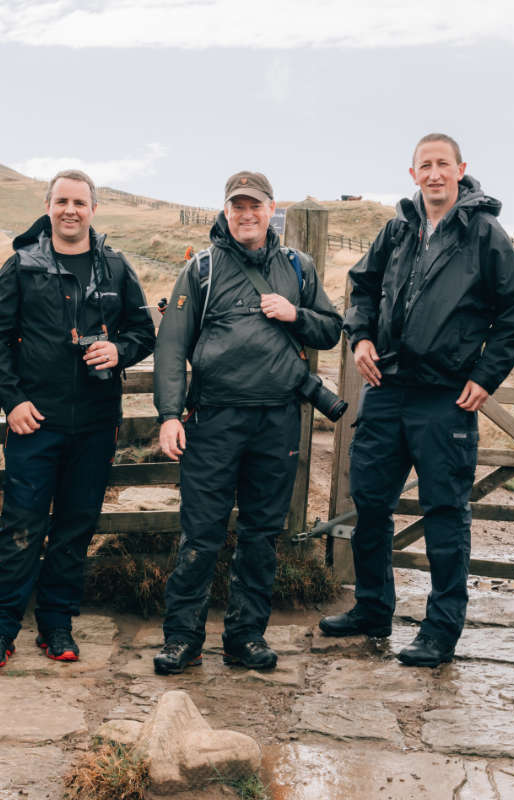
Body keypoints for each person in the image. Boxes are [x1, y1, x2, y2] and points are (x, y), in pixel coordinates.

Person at [317, 134, 514, 667]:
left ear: (461, 169)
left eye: (443, 165)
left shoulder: (485, 234)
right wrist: (361, 337)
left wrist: (486, 375)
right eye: (424, 166)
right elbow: (361, 287)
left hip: (446, 398)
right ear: (412, 174)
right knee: (369, 504)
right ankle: (372, 608)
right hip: (387, 390)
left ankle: (440, 630)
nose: (434, 174)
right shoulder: (398, 228)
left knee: (444, 511)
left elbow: (513, 315)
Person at [152, 171, 342, 674]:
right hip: (213, 419)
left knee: (261, 534)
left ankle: (246, 636)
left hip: (277, 422)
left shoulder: (297, 268)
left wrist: (294, 314)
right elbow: (171, 345)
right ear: (226, 210)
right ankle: (182, 639)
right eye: (237, 206)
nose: (246, 214)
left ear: (270, 208)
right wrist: (170, 415)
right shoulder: (203, 269)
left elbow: (331, 330)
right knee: (200, 533)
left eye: (254, 205)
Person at [0, 169, 155, 667]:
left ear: (94, 209)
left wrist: (118, 351)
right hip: (34, 423)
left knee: (75, 529)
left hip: (95, 424)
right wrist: (12, 401)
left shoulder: (117, 268)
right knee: (20, 527)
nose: (70, 210)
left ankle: (56, 625)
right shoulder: (22, 265)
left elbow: (144, 333)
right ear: (48, 206)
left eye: (80, 202)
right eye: (62, 201)